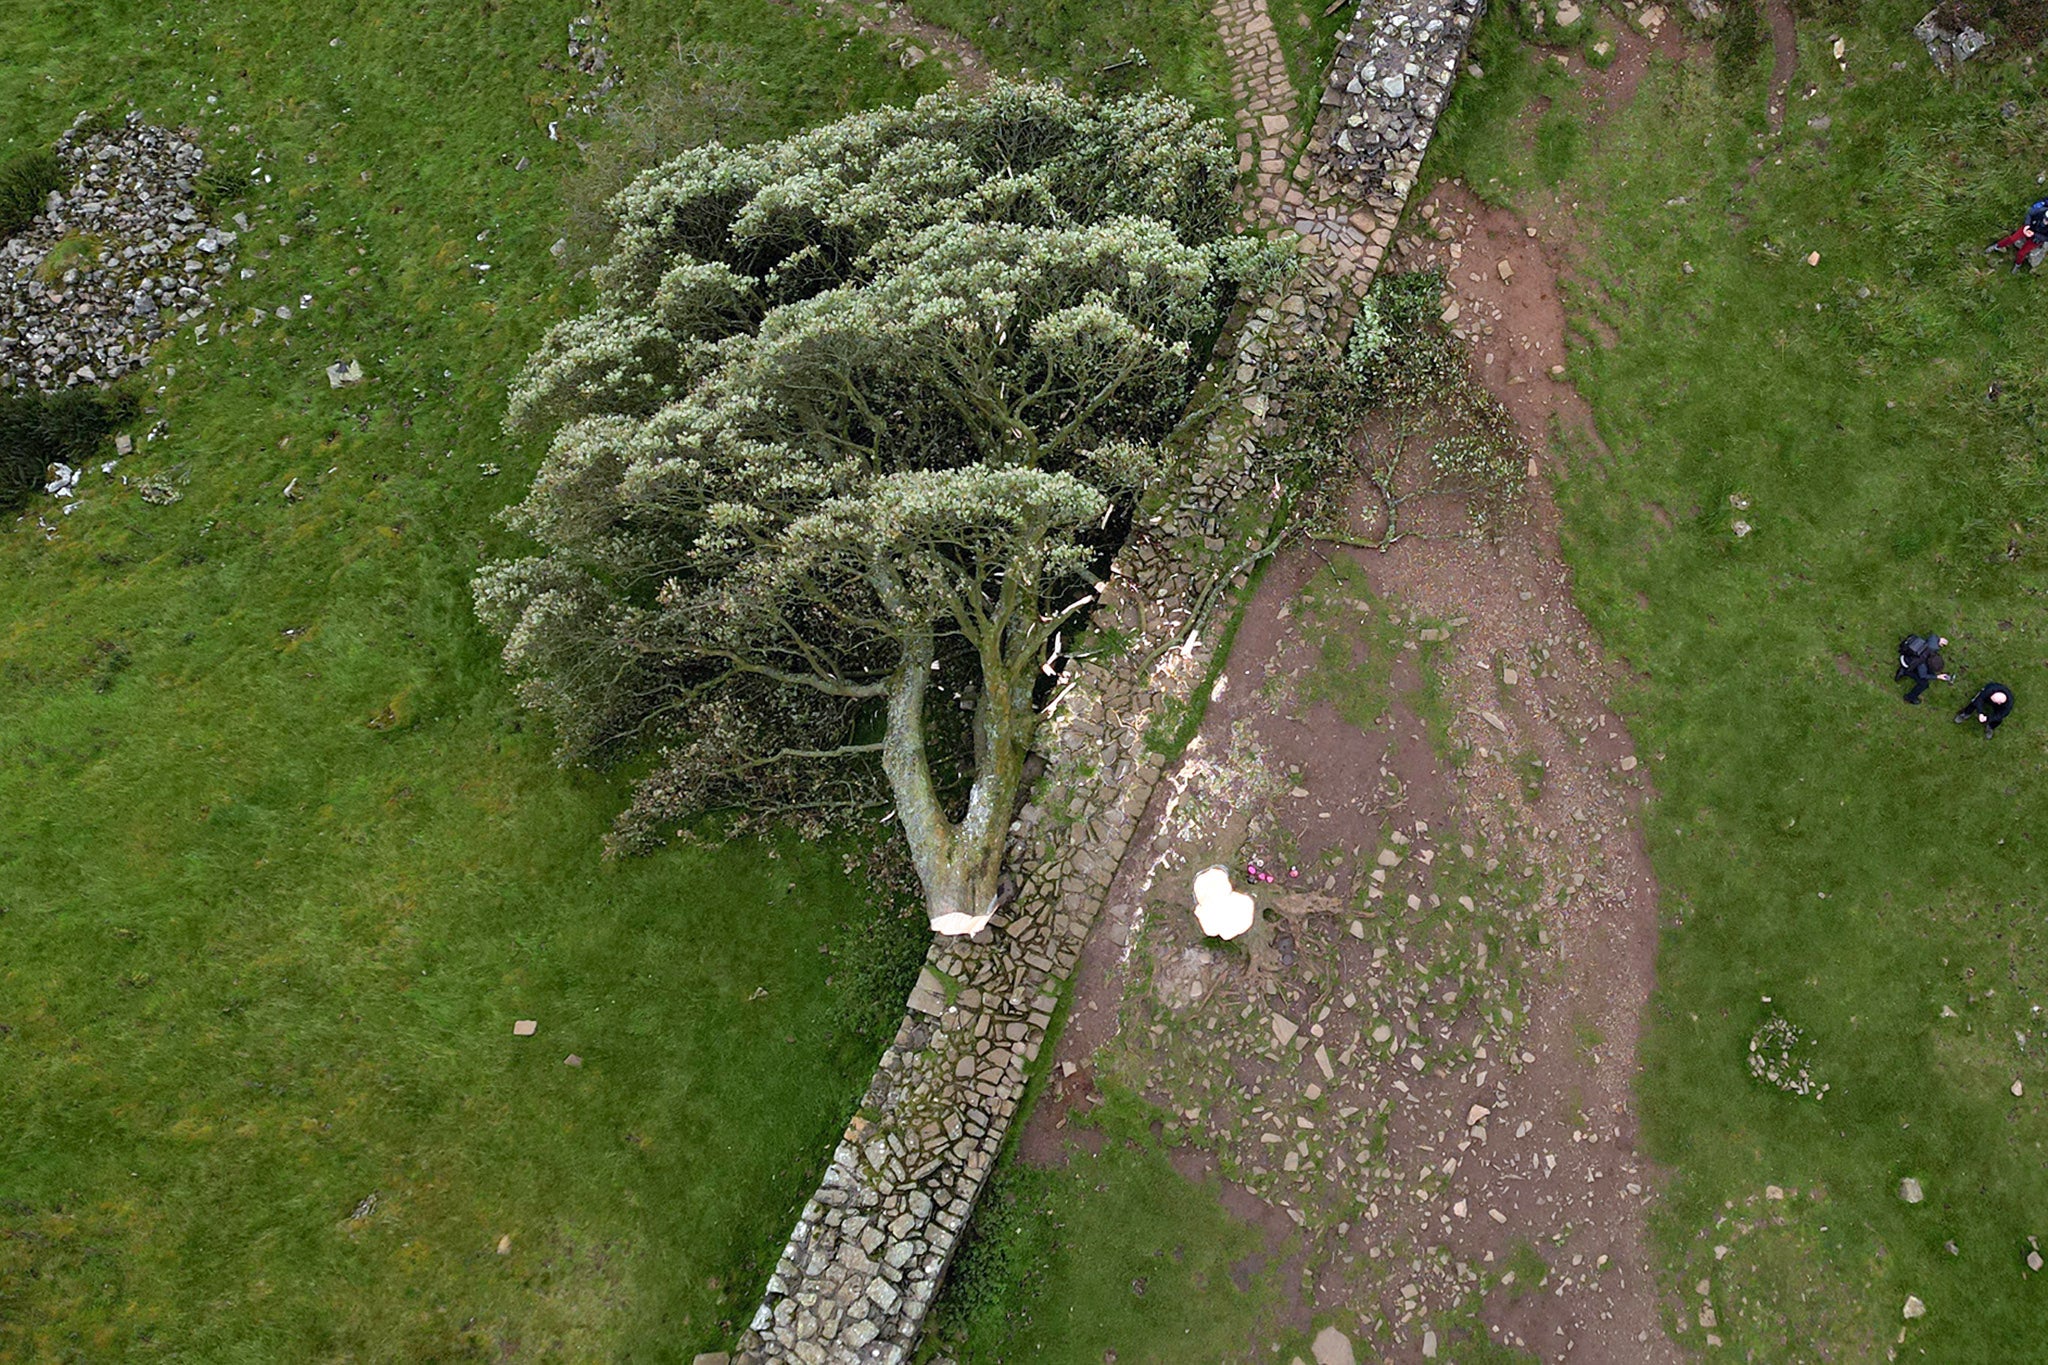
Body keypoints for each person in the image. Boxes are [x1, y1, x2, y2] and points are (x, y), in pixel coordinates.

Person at [1988, 199, 2048, 272]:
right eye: (2045, 218)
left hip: (2037, 237)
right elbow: (2030, 214)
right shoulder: (2041, 211)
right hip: (2029, 228)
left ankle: (2017, 264)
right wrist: (2027, 225)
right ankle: (1996, 246)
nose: (2045, 221)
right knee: (2012, 239)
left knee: (2022, 252)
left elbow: (2046, 238)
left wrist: (2035, 234)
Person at [1895, 633, 1952, 704]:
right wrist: (1937, 677)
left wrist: (1938, 640)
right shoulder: (1922, 665)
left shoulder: (1931, 647)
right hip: (1906, 663)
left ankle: (1904, 671)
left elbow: (1932, 636)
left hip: (1909, 656)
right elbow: (1923, 675)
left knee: (1927, 674)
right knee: (1924, 684)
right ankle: (1909, 697)